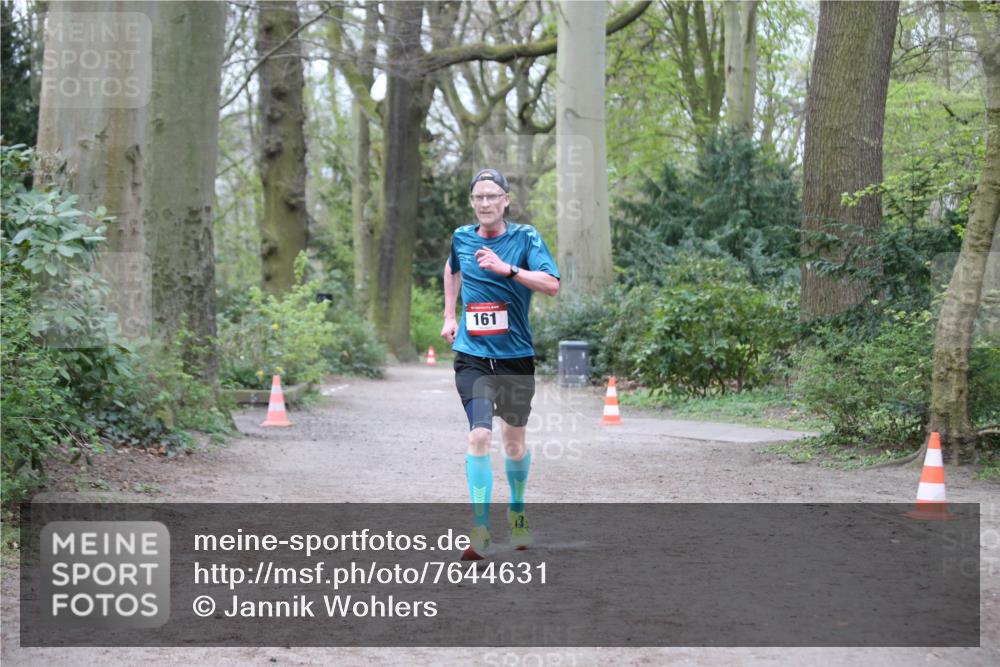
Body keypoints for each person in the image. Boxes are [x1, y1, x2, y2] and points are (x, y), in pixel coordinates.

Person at [441, 167, 560, 561]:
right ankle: (481, 529)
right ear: (472, 202)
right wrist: (449, 315)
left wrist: (507, 269)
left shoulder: (526, 238)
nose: (485, 203)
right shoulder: (462, 237)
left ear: (506, 200)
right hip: (472, 356)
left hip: (515, 358)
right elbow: (452, 269)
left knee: (513, 443)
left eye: (492, 196)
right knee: (478, 436)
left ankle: (518, 512)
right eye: (479, 197)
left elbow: (552, 285)